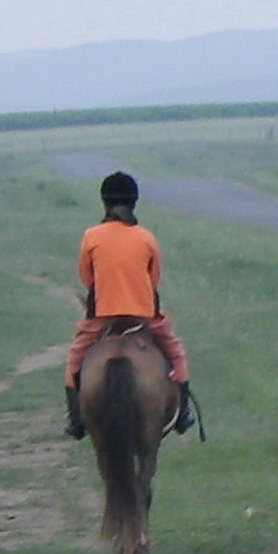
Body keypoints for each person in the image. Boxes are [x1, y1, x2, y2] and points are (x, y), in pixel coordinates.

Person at [64, 171, 193, 439]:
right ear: (133, 202)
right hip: (144, 314)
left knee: (74, 362)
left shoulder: (91, 236)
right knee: (177, 355)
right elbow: (153, 276)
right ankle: (182, 415)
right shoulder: (146, 237)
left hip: (101, 315)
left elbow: (86, 277)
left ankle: (75, 419)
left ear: (105, 203)